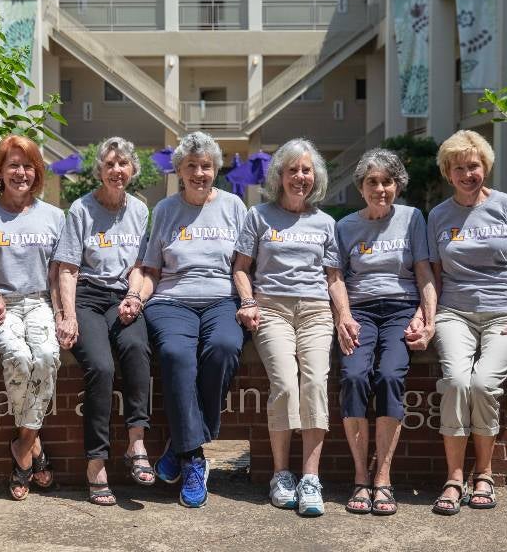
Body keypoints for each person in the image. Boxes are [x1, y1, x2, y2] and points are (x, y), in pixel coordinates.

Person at [232, 139, 344, 517]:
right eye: (293, 170)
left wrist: (343, 315)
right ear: (279, 175)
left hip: (315, 311)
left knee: (314, 382)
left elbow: (333, 278)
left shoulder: (325, 222)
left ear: (316, 177)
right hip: (271, 309)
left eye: (307, 170)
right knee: (283, 380)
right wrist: (248, 302)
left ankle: (310, 477)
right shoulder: (258, 216)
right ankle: (281, 475)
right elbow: (240, 268)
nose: (300, 177)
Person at [427, 130, 507, 515]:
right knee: (456, 382)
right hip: (454, 312)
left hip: (504, 313)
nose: (467, 173)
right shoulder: (438, 215)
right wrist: (427, 316)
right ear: (448, 172)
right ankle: (454, 479)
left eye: (473, 165)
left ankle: (485, 474)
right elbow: (435, 277)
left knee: (484, 382)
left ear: (485, 166)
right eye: (459, 168)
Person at [139, 131, 246, 508]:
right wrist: (137, 298)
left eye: (206, 166)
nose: (199, 173)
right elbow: (151, 267)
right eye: (191, 167)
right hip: (172, 300)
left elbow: (245, 266)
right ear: (179, 171)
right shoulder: (166, 210)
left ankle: (179, 448)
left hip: (221, 298)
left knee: (224, 346)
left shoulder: (234, 206)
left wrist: (249, 302)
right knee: (174, 354)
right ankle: (194, 458)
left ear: (215, 169)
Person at [0, 134, 64, 501]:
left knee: (48, 356)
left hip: (38, 303)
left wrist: (64, 315)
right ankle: (32, 450)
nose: (21, 172)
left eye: (28, 166)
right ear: (0, 172)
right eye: (13, 165)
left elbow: (59, 276)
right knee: (19, 357)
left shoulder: (54, 217)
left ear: (37, 172)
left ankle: (23, 445)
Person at [335, 149, 436, 517]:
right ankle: (361, 477)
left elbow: (424, 273)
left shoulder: (412, 219)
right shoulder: (345, 226)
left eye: (387, 181)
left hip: (400, 310)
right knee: (354, 375)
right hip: (360, 310)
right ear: (361, 187)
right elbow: (337, 278)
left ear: (398, 185)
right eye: (372, 182)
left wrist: (428, 318)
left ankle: (384, 478)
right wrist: (343, 316)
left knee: (390, 375)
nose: (380, 188)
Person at [54, 137, 154, 506]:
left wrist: (133, 298)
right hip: (86, 296)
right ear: (99, 170)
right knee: (100, 365)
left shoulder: (140, 210)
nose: (117, 170)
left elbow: (141, 266)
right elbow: (67, 268)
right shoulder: (80, 209)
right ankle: (96, 463)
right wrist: (66, 316)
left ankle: (136, 443)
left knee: (137, 347)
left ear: (132, 170)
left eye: (123, 164)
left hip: (122, 296)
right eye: (110, 164)